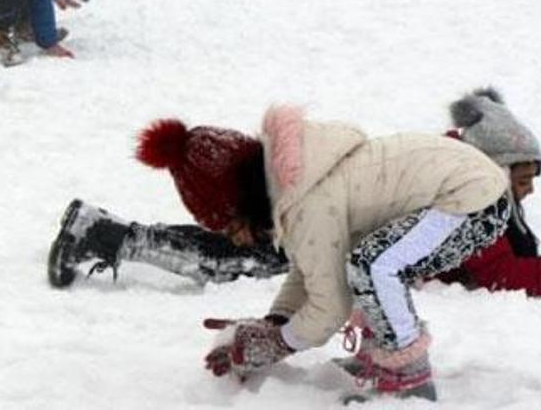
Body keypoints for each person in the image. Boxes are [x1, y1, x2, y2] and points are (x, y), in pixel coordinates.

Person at [125, 105, 509, 402]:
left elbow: (329, 306)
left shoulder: (308, 205)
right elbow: (313, 268)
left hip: (469, 199)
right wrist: (276, 322)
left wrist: (276, 343)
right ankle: (386, 349)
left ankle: (407, 371)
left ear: (244, 200)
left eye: (231, 227)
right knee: (364, 260)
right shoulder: (297, 185)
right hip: (466, 188)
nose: (238, 241)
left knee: (372, 264)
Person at [48, 87, 541, 300]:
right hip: (330, 235)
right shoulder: (474, 195)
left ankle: (108, 232)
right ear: (495, 162)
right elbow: (500, 270)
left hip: (333, 219)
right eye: (523, 173)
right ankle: (110, 236)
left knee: (235, 254)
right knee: (232, 262)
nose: (530, 186)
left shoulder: (464, 172)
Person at [434, 88, 541, 296]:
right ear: (497, 173)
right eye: (522, 181)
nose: (530, 190)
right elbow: (501, 275)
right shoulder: (465, 199)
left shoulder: (488, 196)